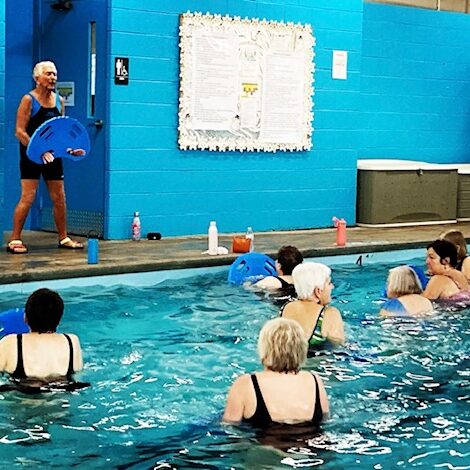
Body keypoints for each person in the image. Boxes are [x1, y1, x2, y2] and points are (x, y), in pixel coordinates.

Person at [7, 60, 84, 254]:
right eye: (48, 74)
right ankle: (15, 239)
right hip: (31, 155)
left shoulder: (59, 100)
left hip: (53, 156)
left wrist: (70, 150)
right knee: (28, 197)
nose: (53, 78)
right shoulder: (28, 100)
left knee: (59, 197)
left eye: (55, 74)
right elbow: (19, 132)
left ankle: (63, 237)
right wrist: (38, 151)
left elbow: (62, 133)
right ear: (37, 78)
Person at [223, 318, 329, 426]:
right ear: (302, 348)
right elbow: (324, 419)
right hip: (310, 441)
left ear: (264, 347)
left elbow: (229, 427)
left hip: (262, 442)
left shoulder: (246, 383)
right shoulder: (314, 380)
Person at [0, 288, 85, 391]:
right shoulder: (71, 341)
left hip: (22, 400)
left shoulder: (11, 342)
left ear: (25, 318)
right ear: (59, 318)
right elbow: (78, 374)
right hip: (60, 399)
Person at [280, 262, 345, 347]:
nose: (332, 287)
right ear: (318, 291)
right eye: (329, 283)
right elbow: (339, 345)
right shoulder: (330, 313)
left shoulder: (286, 307)